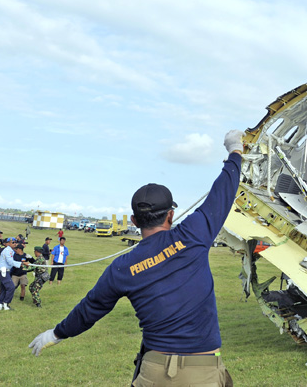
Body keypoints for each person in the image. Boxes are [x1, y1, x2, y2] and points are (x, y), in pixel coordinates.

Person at [29, 129, 243, 387]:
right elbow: (222, 192)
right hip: (202, 371)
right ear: (170, 216)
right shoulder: (194, 233)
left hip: (153, 371)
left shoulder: (122, 267)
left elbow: (90, 309)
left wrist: (55, 334)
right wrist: (235, 151)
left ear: (134, 221)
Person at [0, 237, 29, 311]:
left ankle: (1, 304)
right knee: (11, 287)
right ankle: (6, 303)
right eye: (12, 242)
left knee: (4, 288)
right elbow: (10, 262)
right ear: (7, 243)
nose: (15, 244)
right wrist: (22, 263)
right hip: (3, 271)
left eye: (15, 242)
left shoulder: (11, 251)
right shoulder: (7, 251)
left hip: (6, 271)